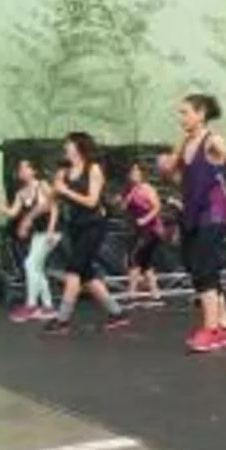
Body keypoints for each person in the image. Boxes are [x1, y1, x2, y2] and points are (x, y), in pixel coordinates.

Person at [158, 94, 226, 352]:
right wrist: (169, 160)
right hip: (193, 213)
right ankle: (225, 328)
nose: (181, 117)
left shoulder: (212, 140)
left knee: (204, 269)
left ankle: (210, 330)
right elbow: (171, 171)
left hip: (214, 212)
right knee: (197, 267)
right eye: (180, 112)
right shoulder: (186, 142)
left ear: (201, 114)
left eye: (185, 112)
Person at [43, 133, 130, 335]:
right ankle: (117, 313)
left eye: (69, 144)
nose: (65, 147)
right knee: (87, 275)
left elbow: (92, 201)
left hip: (94, 225)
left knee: (74, 270)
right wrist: (52, 192)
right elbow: (52, 200)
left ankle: (62, 319)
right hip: (75, 226)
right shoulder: (63, 173)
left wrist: (65, 191)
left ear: (79, 147)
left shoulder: (93, 169)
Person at [0, 160, 59, 322]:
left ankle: (31, 305)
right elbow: (12, 213)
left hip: (52, 233)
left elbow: (54, 207)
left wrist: (51, 230)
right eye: (19, 168)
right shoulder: (21, 193)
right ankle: (48, 307)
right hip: (37, 235)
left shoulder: (42, 185)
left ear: (33, 171)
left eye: (24, 167)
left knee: (30, 264)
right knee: (37, 269)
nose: (21, 171)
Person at [120, 163, 165, 307]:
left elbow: (157, 206)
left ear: (142, 174)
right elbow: (123, 207)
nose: (134, 174)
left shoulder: (147, 188)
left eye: (137, 172)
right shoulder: (130, 190)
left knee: (134, 258)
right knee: (145, 263)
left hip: (151, 229)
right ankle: (156, 294)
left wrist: (146, 219)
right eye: (132, 172)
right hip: (139, 230)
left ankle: (131, 294)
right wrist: (129, 195)